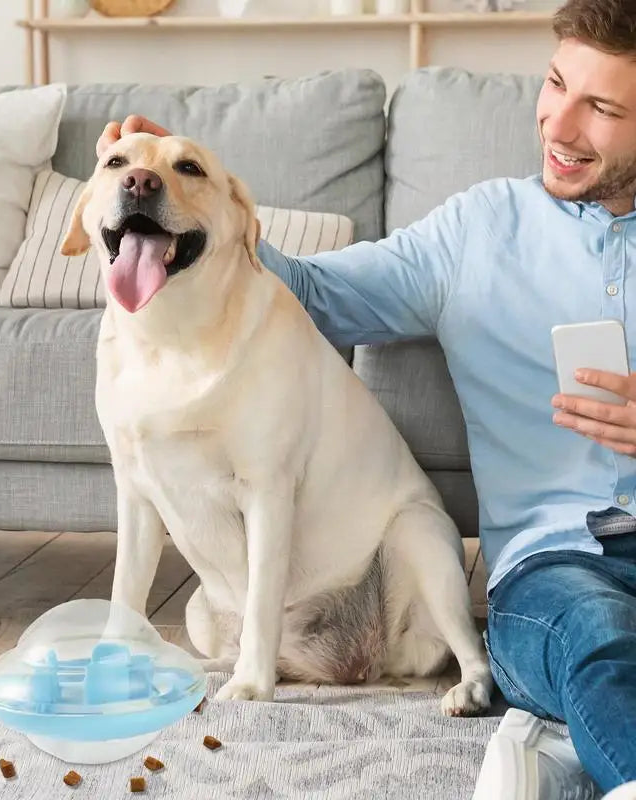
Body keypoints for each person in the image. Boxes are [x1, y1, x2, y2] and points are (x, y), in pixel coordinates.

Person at [98, 0, 636, 796]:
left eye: (602, 109)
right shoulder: (477, 232)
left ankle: (558, 745)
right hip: (556, 568)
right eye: (555, 84)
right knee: (599, 640)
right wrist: (186, 204)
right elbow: (313, 292)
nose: (559, 124)